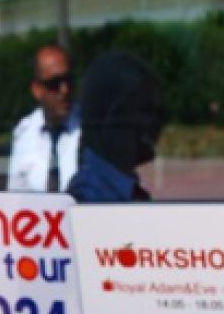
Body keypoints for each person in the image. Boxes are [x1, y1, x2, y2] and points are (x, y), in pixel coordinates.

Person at [66, 50, 163, 203]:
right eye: (145, 110)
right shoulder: (89, 198)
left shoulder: (121, 190)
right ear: (111, 118)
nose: (154, 122)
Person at [6, 44, 81, 193]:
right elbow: (15, 193)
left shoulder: (88, 129)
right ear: (37, 90)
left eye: (68, 80)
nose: (64, 90)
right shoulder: (25, 133)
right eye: (54, 84)